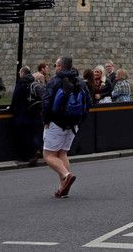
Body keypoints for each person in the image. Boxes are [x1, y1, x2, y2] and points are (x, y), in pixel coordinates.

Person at [41, 56, 90, 198]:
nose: (54, 67)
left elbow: (46, 103)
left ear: (60, 66)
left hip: (56, 123)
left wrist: (46, 120)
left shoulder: (55, 81)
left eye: (55, 65)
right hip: (73, 124)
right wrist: (80, 120)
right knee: (62, 153)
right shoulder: (80, 81)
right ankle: (63, 187)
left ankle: (66, 175)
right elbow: (88, 102)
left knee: (48, 155)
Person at [9, 66, 42, 164]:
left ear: (22, 73)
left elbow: (15, 99)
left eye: (20, 73)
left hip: (23, 115)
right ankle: (36, 150)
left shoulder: (21, 83)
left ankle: (27, 156)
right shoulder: (35, 82)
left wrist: (12, 109)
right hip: (35, 114)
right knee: (34, 134)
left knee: (24, 136)